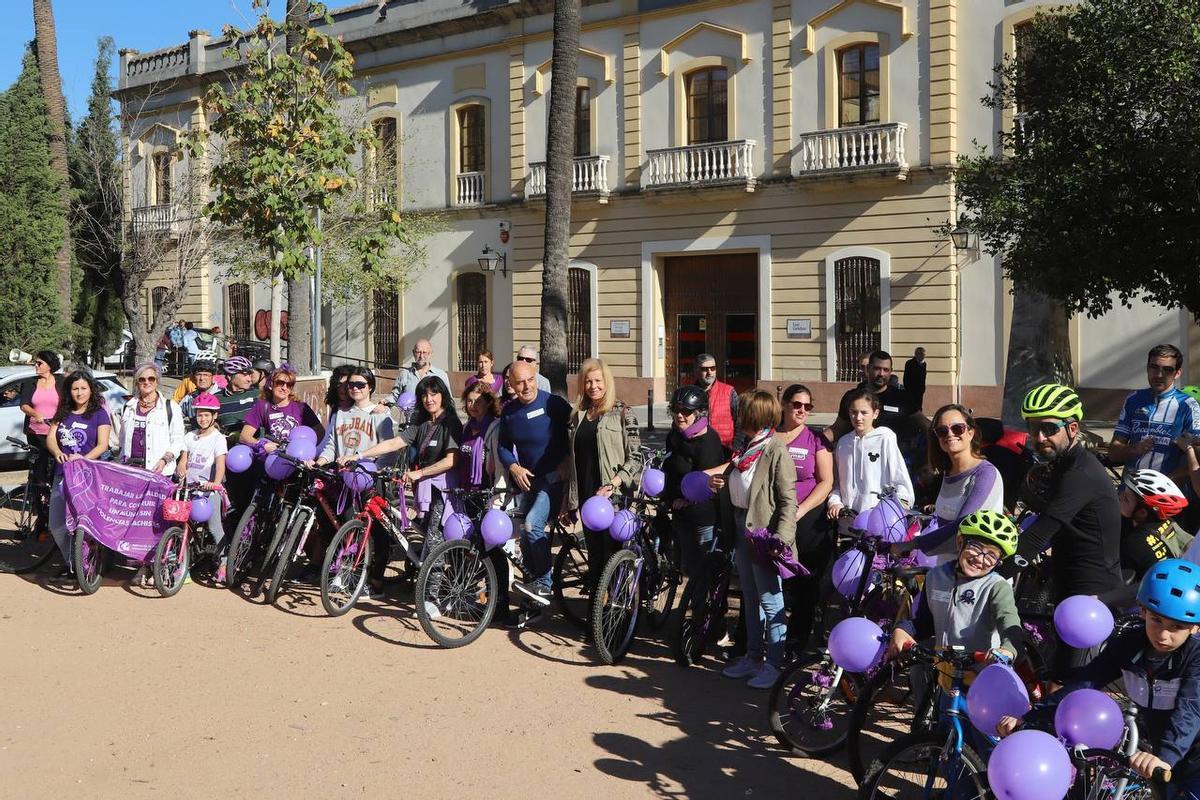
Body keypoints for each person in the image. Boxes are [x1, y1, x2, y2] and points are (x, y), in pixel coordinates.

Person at [997, 560, 1200, 795]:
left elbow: (1191, 710)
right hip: (1162, 761)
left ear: (1195, 628)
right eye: (1156, 620)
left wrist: (1165, 756)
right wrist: (1029, 718)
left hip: (1184, 758)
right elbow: (1085, 685)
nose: (1163, 634)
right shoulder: (1128, 643)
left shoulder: (1195, 657)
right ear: (1143, 611)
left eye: (1177, 627)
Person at [998, 383, 1122, 678]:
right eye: (1033, 428)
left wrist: (993, 572)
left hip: (1091, 591)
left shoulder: (1081, 472)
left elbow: (1043, 532)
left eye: (1049, 428)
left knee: (1070, 682)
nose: (1039, 438)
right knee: (1055, 673)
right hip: (1067, 579)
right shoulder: (1063, 464)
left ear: (1072, 428)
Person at [343, 375, 459, 600]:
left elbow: (451, 461)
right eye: (424, 395)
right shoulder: (423, 424)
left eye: (433, 393)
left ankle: (431, 599)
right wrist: (359, 455)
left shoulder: (450, 422)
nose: (429, 399)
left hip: (445, 490)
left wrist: (419, 473)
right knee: (428, 537)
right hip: (424, 488)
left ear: (443, 395)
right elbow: (394, 443)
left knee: (434, 540)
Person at [711, 391, 799, 689]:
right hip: (741, 527)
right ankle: (753, 657)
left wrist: (781, 539)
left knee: (771, 601)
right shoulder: (746, 446)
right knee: (750, 599)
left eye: (742, 412)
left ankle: (774, 664)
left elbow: (788, 501)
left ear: (755, 417)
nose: (736, 417)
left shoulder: (775, 450)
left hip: (764, 534)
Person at [889, 510, 1024, 664]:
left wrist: (1008, 649)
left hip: (981, 673)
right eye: (975, 547)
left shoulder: (997, 587)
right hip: (944, 670)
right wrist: (902, 629)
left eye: (992, 555)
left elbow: (1009, 622)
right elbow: (925, 623)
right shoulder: (935, 577)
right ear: (960, 543)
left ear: (998, 561)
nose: (980, 558)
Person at [562, 358, 644, 592]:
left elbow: (635, 458)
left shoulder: (622, 412)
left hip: (614, 497)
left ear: (606, 382)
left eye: (598, 380)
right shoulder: (577, 415)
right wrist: (568, 500)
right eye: (588, 381)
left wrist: (613, 483)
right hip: (588, 497)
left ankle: (616, 615)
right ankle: (597, 618)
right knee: (596, 558)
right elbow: (572, 461)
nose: (593, 386)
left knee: (613, 557)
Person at [497, 360, 571, 607]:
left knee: (531, 526)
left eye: (530, 379)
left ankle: (544, 583)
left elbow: (576, 431)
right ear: (511, 385)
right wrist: (514, 467)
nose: (526, 386)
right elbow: (504, 447)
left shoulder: (554, 404)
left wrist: (567, 463)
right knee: (524, 537)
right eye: (520, 382)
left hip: (554, 478)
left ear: (536, 377)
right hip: (529, 481)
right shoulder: (509, 412)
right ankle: (533, 589)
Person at [898, 405, 1005, 564]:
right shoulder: (947, 473)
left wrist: (911, 544)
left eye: (957, 428)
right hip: (946, 571)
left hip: (977, 574)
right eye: (942, 431)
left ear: (970, 432)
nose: (950, 434)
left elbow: (963, 529)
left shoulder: (985, 474)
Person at [774, 384, 834, 654]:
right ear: (784, 405)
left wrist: (800, 510)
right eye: (797, 405)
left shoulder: (816, 440)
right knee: (771, 580)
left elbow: (826, 482)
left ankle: (797, 640)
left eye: (807, 406)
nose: (802, 410)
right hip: (772, 516)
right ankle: (764, 639)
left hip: (806, 518)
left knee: (804, 582)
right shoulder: (770, 435)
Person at [457, 381, 514, 623]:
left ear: (489, 402)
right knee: (474, 549)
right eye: (469, 401)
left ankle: (500, 604)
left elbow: (499, 466)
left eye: (479, 401)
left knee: (494, 551)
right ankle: (479, 598)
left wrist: (497, 498)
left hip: (488, 494)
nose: (473, 406)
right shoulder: (467, 427)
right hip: (468, 494)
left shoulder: (493, 427)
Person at [46, 371, 112, 575]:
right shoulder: (63, 411)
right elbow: (51, 437)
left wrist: (83, 459)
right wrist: (57, 452)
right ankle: (73, 563)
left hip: (88, 476)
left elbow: (103, 445)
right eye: (75, 389)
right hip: (62, 474)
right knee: (57, 525)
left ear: (91, 389)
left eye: (83, 388)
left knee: (85, 526)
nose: (79, 392)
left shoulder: (99, 413)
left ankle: (87, 565)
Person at [661, 385, 725, 581]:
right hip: (680, 512)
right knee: (686, 568)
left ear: (699, 413)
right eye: (676, 410)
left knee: (702, 573)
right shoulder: (675, 435)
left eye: (686, 411)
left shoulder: (708, 441)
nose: (680, 415)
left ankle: (704, 609)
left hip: (701, 516)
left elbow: (707, 483)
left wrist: (687, 499)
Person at [1110, 344, 1200, 479]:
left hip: (1169, 495)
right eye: (1154, 367)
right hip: (1130, 492)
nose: (1159, 375)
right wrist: (1134, 449)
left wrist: (1165, 482)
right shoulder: (1133, 400)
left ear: (1177, 373)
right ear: (1147, 368)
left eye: (1167, 370)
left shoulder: (1188, 405)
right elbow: (1113, 453)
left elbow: (1198, 459)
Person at [826, 389, 914, 520]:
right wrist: (835, 502)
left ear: (875, 414)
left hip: (879, 521)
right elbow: (837, 483)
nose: (858, 418)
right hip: (848, 522)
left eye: (864, 413)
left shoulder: (885, 438)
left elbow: (899, 478)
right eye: (853, 412)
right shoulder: (843, 444)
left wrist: (897, 508)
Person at [1109, 470, 1191, 607]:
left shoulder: (1134, 543)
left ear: (1141, 512)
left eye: (1127, 498)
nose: (1120, 496)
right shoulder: (1167, 522)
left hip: (1150, 600)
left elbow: (1117, 578)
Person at [177, 392, 228, 580]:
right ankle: (183, 563)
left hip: (208, 490)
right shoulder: (190, 436)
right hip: (189, 488)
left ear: (214, 416)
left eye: (207, 415)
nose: (203, 418)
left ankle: (224, 562)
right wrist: (181, 467)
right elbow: (184, 459)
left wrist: (215, 484)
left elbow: (221, 465)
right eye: (199, 414)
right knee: (181, 526)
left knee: (214, 528)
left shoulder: (218, 438)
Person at [824, 350, 912, 446]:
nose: (881, 374)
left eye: (886, 370)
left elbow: (922, 424)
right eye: (877, 368)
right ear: (869, 368)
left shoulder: (902, 398)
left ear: (891, 371)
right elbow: (838, 429)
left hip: (892, 458)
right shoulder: (852, 397)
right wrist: (814, 441)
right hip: (858, 455)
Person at [317, 367, 395, 467]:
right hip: (341, 475)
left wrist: (374, 470)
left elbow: (388, 451)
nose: (355, 388)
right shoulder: (340, 413)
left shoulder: (380, 415)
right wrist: (318, 463)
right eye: (351, 385)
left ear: (370, 387)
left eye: (360, 385)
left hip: (366, 477)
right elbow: (332, 446)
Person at [118, 363, 185, 476]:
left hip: (159, 472)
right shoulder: (127, 407)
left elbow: (178, 441)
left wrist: (164, 460)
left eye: (151, 378)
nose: (146, 382)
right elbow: (121, 440)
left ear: (157, 381)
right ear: (136, 383)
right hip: (130, 472)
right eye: (142, 379)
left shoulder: (171, 407)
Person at [239, 365, 324, 452]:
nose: (284, 388)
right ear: (271, 384)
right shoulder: (262, 406)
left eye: (289, 385)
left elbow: (320, 433)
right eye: (280, 383)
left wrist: (308, 450)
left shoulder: (301, 408)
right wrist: (263, 445)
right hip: (274, 458)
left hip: (298, 460)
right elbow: (244, 436)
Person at [19, 350, 62, 509]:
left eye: (39, 363)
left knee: (56, 466)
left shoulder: (61, 382)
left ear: (49, 366)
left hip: (55, 432)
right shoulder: (30, 383)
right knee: (39, 468)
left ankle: (55, 500)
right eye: (36, 363)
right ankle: (38, 503)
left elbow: (67, 404)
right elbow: (23, 405)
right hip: (35, 433)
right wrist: (35, 413)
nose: (36, 366)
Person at [692, 353, 738, 454]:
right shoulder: (689, 394)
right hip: (696, 451)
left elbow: (740, 422)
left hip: (725, 451)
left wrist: (735, 447)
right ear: (696, 371)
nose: (710, 373)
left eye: (713, 368)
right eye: (705, 369)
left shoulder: (729, 392)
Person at [382, 339, 449, 408]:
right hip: (410, 417)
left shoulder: (441, 375)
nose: (421, 356)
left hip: (433, 418)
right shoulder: (404, 374)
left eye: (424, 352)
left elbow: (448, 400)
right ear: (413, 353)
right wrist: (385, 401)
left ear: (430, 353)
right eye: (418, 352)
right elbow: (395, 396)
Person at [177, 360, 219, 430]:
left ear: (213, 377)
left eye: (206, 375)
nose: (202, 378)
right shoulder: (189, 398)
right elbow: (175, 416)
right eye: (198, 374)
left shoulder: (221, 395)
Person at [903, 347, 927, 412]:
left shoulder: (924, 364)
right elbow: (906, 377)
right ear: (916, 354)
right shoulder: (909, 363)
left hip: (920, 389)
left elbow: (923, 376)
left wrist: (923, 387)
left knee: (919, 406)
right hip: (911, 389)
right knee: (911, 406)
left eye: (924, 354)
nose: (923, 356)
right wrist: (907, 388)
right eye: (921, 354)